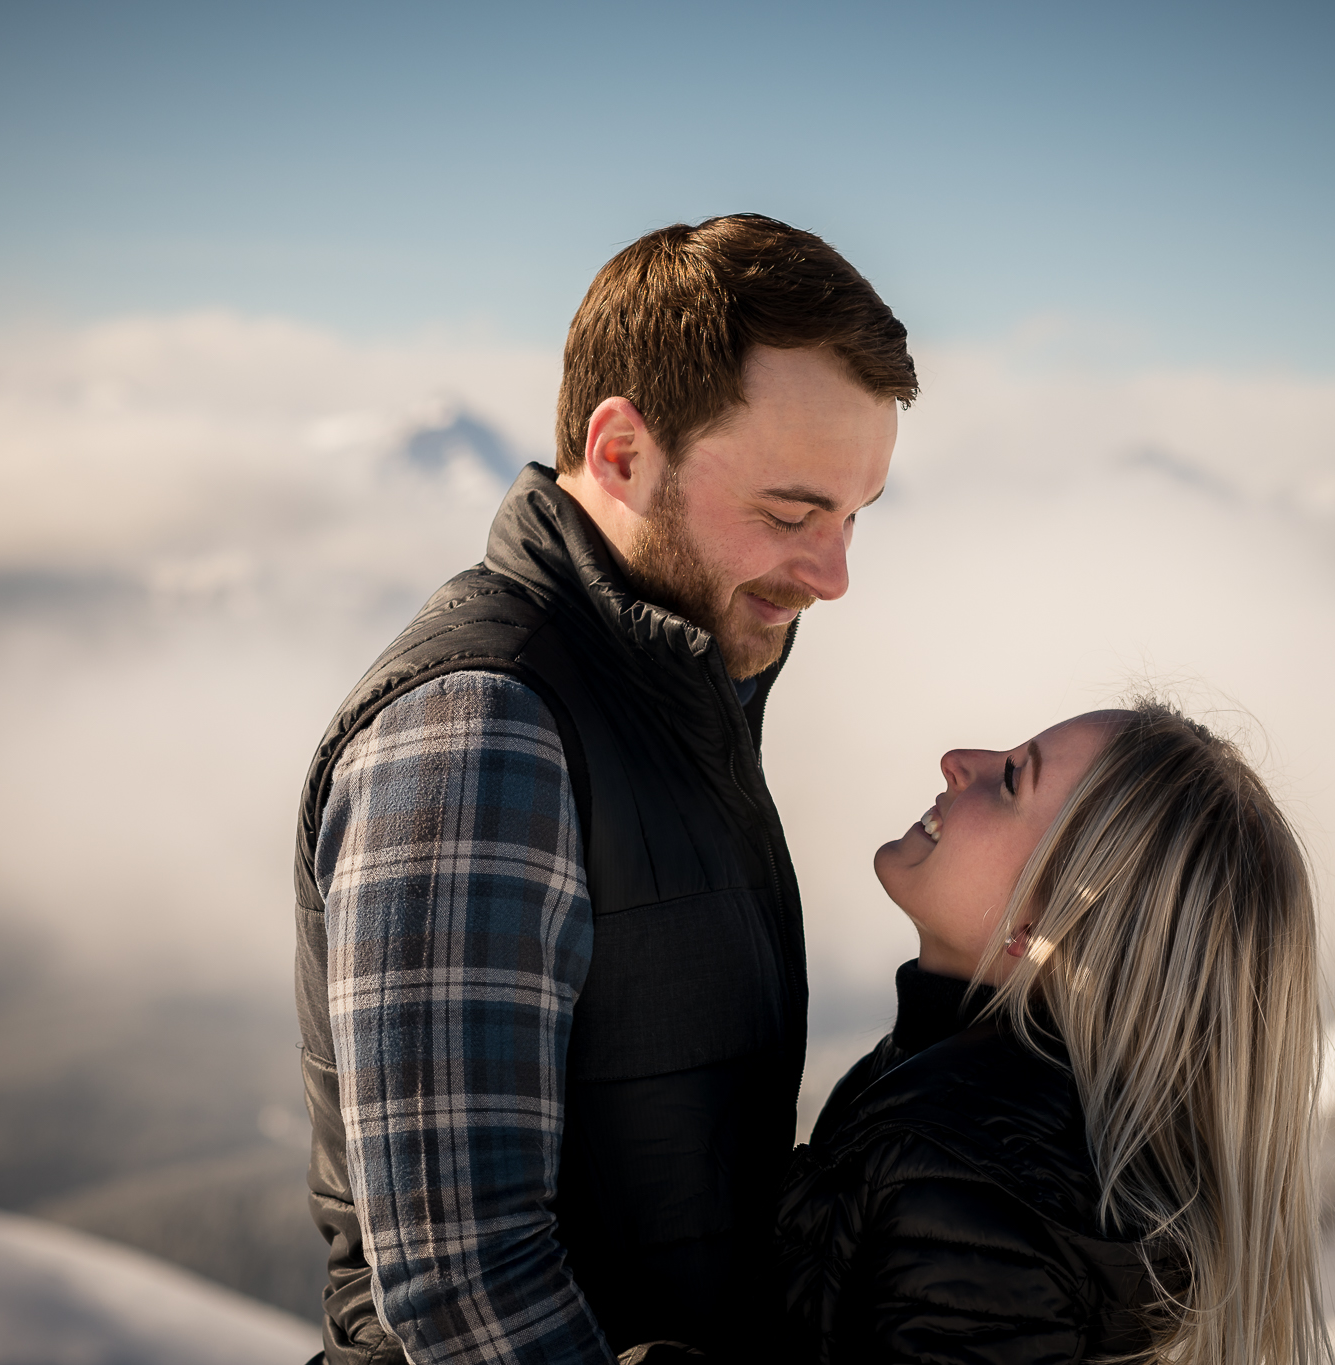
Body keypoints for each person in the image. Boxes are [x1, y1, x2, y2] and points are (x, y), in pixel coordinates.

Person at [291, 215, 917, 1365]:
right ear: (621, 450)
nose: (833, 575)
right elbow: (459, 1280)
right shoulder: (482, 724)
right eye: (790, 512)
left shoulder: (670, 682)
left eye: (852, 516)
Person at [775, 704, 1333, 1365]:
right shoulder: (967, 1124)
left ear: (1044, 931)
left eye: (1012, 780)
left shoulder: (972, 1183)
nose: (959, 761)